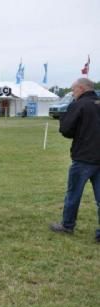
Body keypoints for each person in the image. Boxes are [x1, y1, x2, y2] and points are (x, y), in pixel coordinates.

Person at [49, 78, 100, 242]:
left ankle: (67, 225)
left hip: (84, 157)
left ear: (81, 88)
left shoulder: (79, 105)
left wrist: (64, 117)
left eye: (73, 90)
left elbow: (66, 130)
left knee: (73, 194)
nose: (73, 93)